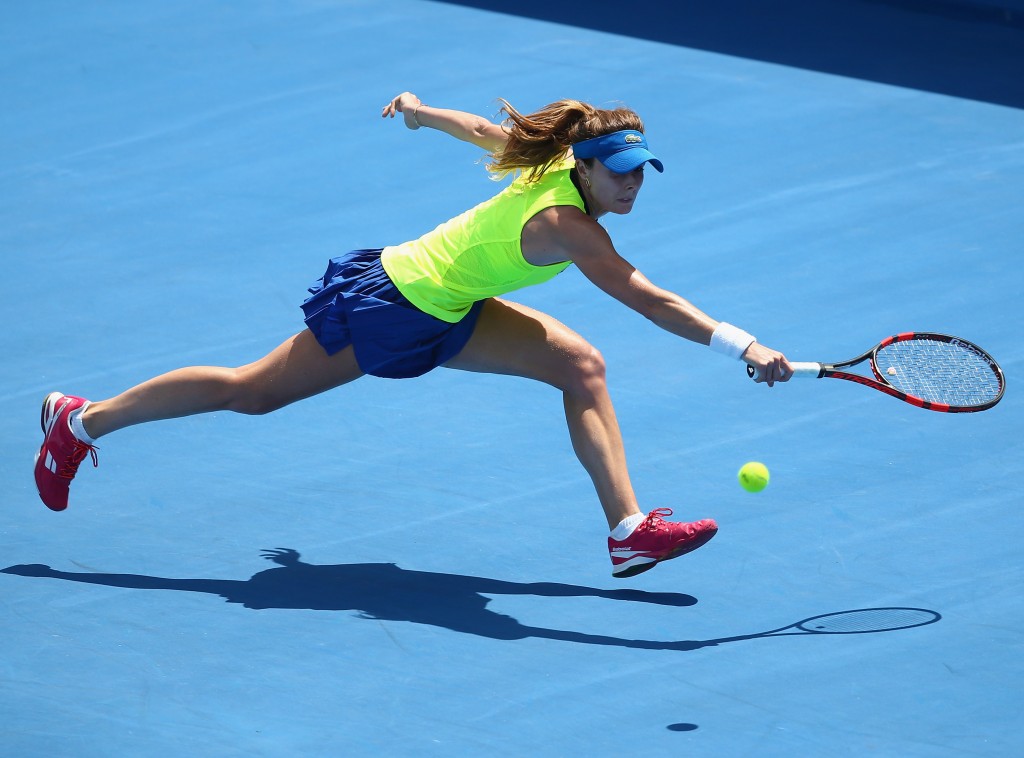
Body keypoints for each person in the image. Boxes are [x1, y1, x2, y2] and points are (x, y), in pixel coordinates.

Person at [33, 91, 793, 578]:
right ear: (587, 169)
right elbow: (649, 299)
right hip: (397, 302)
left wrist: (423, 112)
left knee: (581, 366)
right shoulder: (567, 225)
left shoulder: (560, 164)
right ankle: (82, 419)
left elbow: (485, 132)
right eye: (620, 172)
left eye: (642, 172)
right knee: (251, 393)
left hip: (453, 306)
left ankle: (629, 530)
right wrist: (744, 345)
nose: (632, 184)